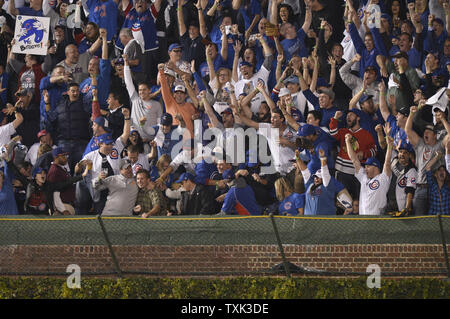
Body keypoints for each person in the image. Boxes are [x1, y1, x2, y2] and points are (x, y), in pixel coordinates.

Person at [346, 132, 394, 216]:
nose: (365, 168)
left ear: (375, 167)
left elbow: (387, 162)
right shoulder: (364, 178)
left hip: (378, 220)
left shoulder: (383, 178)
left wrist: (389, 146)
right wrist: (347, 141)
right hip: (363, 220)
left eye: (368, 166)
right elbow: (354, 160)